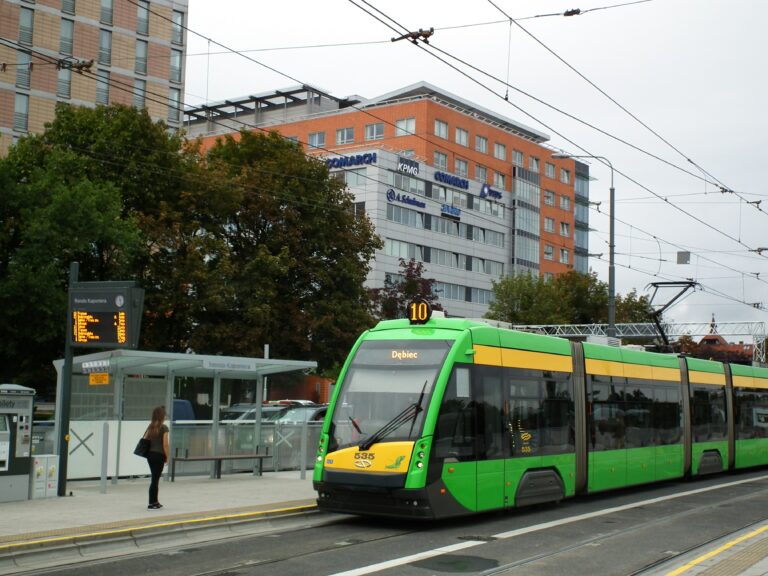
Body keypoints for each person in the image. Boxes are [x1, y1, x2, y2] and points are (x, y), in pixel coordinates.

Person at [145, 405, 169, 510]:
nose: (165, 416)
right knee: (155, 479)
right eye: (164, 415)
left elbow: (146, 439)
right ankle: (151, 503)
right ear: (161, 416)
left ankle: (155, 501)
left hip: (150, 455)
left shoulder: (151, 427)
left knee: (155, 478)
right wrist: (168, 456)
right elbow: (165, 444)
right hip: (159, 455)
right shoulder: (164, 428)